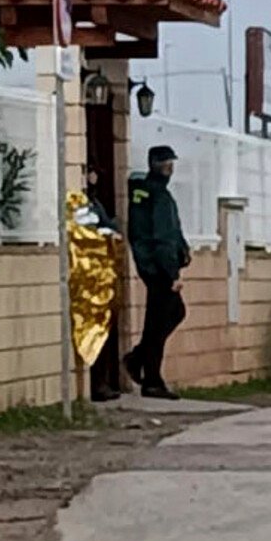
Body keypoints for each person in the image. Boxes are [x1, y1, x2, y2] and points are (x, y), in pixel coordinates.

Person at [125, 145, 190, 400]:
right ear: (156, 165)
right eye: (166, 164)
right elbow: (163, 236)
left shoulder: (145, 191)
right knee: (163, 318)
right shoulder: (159, 196)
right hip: (159, 268)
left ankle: (139, 360)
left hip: (151, 265)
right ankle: (149, 376)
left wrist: (182, 249)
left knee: (167, 316)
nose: (170, 168)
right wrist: (172, 272)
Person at [81, 164, 122, 402]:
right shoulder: (81, 203)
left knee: (105, 328)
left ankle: (102, 381)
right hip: (89, 273)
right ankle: (97, 384)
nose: (93, 176)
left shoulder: (95, 203)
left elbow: (109, 225)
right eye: (89, 172)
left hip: (103, 272)